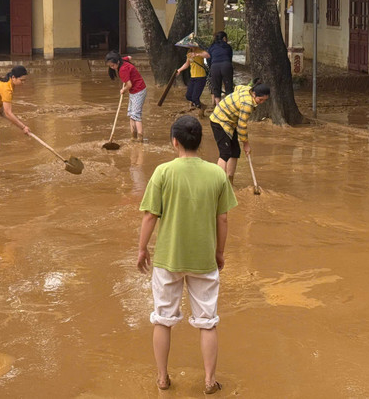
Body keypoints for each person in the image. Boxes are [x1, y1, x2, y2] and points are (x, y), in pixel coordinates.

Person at [137, 115, 238, 394]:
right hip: (203, 258)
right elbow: (224, 219)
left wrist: (142, 249)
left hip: (168, 259)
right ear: (199, 141)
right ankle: (209, 381)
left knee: (162, 318)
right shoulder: (217, 173)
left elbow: (149, 217)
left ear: (175, 142)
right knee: (207, 322)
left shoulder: (163, 172)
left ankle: (162, 378)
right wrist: (219, 252)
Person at [208, 80, 270, 183]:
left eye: (264, 100)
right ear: (254, 94)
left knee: (235, 152)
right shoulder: (248, 104)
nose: (262, 102)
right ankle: (219, 184)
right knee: (225, 153)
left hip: (231, 122)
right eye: (260, 99)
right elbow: (242, 126)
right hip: (219, 121)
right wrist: (246, 144)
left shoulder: (247, 89)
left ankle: (229, 181)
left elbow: (238, 87)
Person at [106, 51, 147, 141]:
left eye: (113, 66)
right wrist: (127, 57)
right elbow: (129, 57)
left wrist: (123, 90)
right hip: (134, 91)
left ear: (117, 62)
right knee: (131, 113)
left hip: (138, 90)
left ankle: (140, 138)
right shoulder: (122, 61)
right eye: (110, 66)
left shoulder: (123, 70)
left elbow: (129, 85)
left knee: (136, 115)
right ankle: (133, 137)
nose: (112, 68)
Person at [176, 40, 209, 110]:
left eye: (191, 44)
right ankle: (202, 107)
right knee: (188, 96)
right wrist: (179, 70)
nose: (190, 46)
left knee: (195, 97)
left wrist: (197, 54)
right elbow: (187, 64)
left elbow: (207, 55)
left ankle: (201, 110)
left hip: (201, 77)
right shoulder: (189, 52)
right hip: (193, 77)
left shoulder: (200, 51)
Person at [206, 31, 234, 107]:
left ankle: (218, 107)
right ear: (224, 38)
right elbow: (230, 58)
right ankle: (229, 106)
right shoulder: (228, 46)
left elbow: (209, 59)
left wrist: (211, 67)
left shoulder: (211, 47)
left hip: (214, 66)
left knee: (216, 87)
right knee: (228, 87)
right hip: (226, 65)